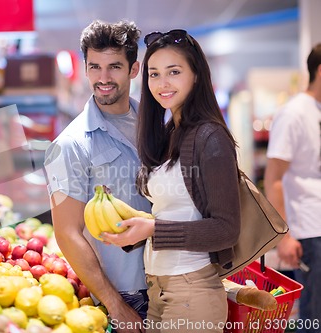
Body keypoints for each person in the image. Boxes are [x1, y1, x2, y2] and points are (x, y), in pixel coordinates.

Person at [102, 30, 241, 333]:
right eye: (154, 74)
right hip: (159, 289)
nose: (162, 84)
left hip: (192, 290)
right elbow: (176, 211)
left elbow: (226, 229)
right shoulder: (168, 134)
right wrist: (135, 231)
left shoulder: (211, 137)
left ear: (196, 76)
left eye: (174, 72)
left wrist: (153, 229)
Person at [44, 20, 151, 332]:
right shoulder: (69, 145)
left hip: (171, 281)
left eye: (114, 66)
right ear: (86, 68)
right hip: (125, 293)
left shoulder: (157, 125)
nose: (103, 78)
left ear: (134, 69)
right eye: (95, 67)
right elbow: (67, 233)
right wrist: (116, 305)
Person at [264, 43, 321, 333]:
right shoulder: (294, 113)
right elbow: (274, 177)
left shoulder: (315, 110)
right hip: (309, 232)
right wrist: (284, 236)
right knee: (314, 318)